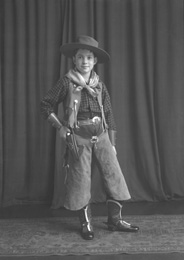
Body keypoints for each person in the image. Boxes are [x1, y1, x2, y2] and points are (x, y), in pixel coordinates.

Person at [40, 35, 139, 240]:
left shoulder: (99, 85)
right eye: (80, 57)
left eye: (89, 57)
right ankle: (86, 224)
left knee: (114, 177)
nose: (85, 61)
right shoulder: (66, 82)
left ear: (94, 61)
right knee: (80, 180)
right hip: (79, 138)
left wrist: (112, 142)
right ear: (74, 60)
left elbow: (109, 113)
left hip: (101, 136)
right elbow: (45, 105)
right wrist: (61, 127)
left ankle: (115, 220)